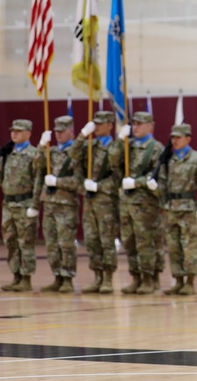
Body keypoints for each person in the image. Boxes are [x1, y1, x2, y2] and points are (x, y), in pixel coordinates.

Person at [0, 119, 42, 292]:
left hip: (25, 204)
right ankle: (16, 276)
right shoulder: (6, 154)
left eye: (18, 131)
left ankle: (26, 278)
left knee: (26, 242)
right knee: (11, 242)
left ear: (28, 133)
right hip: (8, 204)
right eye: (13, 131)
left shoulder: (34, 154)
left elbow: (39, 182)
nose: (14, 134)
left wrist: (35, 204)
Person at [69, 110, 121, 294]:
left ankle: (108, 278)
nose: (97, 127)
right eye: (95, 124)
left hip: (106, 200)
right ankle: (97, 277)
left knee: (106, 240)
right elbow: (72, 155)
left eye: (101, 123)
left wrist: (99, 187)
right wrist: (82, 135)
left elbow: (118, 177)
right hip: (90, 201)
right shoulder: (89, 146)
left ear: (110, 125)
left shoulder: (116, 148)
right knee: (91, 240)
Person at [158, 123, 197, 295]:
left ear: (188, 139)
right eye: (173, 137)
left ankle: (190, 282)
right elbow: (162, 183)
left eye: (178, 137)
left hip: (188, 208)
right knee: (174, 247)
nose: (175, 140)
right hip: (170, 208)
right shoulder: (167, 159)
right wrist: (162, 203)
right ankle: (178, 280)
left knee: (189, 247)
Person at [117, 111, 165, 294]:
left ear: (150, 126)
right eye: (133, 124)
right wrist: (120, 140)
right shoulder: (127, 146)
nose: (135, 127)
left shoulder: (156, 148)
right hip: (127, 203)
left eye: (139, 124)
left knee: (146, 242)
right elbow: (112, 162)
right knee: (129, 242)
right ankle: (135, 277)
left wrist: (137, 182)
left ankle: (150, 278)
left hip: (146, 204)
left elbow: (158, 176)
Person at [36, 116, 81, 293]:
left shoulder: (75, 153)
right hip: (49, 204)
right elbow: (37, 166)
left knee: (66, 243)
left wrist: (58, 181)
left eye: (62, 131)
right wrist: (41, 146)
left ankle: (68, 278)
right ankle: (57, 276)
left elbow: (79, 181)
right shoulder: (51, 151)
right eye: (56, 131)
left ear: (71, 131)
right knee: (51, 244)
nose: (59, 135)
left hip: (66, 205)